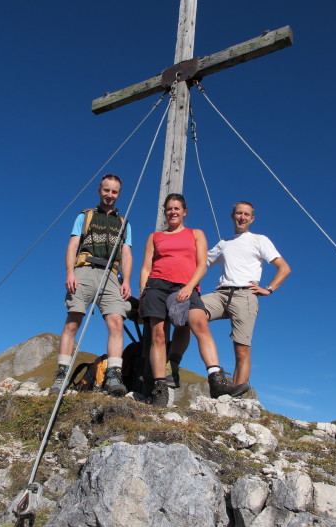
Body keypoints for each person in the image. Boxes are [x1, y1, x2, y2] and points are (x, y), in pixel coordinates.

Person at [170, 201, 291, 397]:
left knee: (241, 350)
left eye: (246, 214)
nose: (242, 217)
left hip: (245, 295)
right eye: (238, 213)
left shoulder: (260, 240)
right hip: (220, 294)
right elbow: (200, 262)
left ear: (252, 219)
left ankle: (236, 396)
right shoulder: (224, 244)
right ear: (232, 215)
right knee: (187, 313)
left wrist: (269, 289)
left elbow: (284, 268)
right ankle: (172, 367)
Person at [139, 193, 230, 407]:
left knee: (199, 323)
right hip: (156, 286)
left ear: (184, 212)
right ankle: (160, 387)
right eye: (169, 208)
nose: (172, 212)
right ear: (165, 212)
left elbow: (202, 264)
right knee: (159, 335)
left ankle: (216, 378)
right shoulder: (155, 237)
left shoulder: (196, 234)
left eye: (177, 208)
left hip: (186, 286)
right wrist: (142, 294)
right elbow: (146, 267)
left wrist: (189, 287)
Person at [50, 174, 132, 397]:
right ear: (100, 190)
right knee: (73, 319)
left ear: (119, 194)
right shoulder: (85, 216)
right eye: (106, 190)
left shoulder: (124, 223)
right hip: (84, 269)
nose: (110, 195)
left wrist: (127, 281)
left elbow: (126, 252)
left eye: (114, 192)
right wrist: (70, 272)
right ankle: (61, 374)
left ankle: (114, 374)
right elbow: (73, 244)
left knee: (116, 321)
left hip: (111, 274)